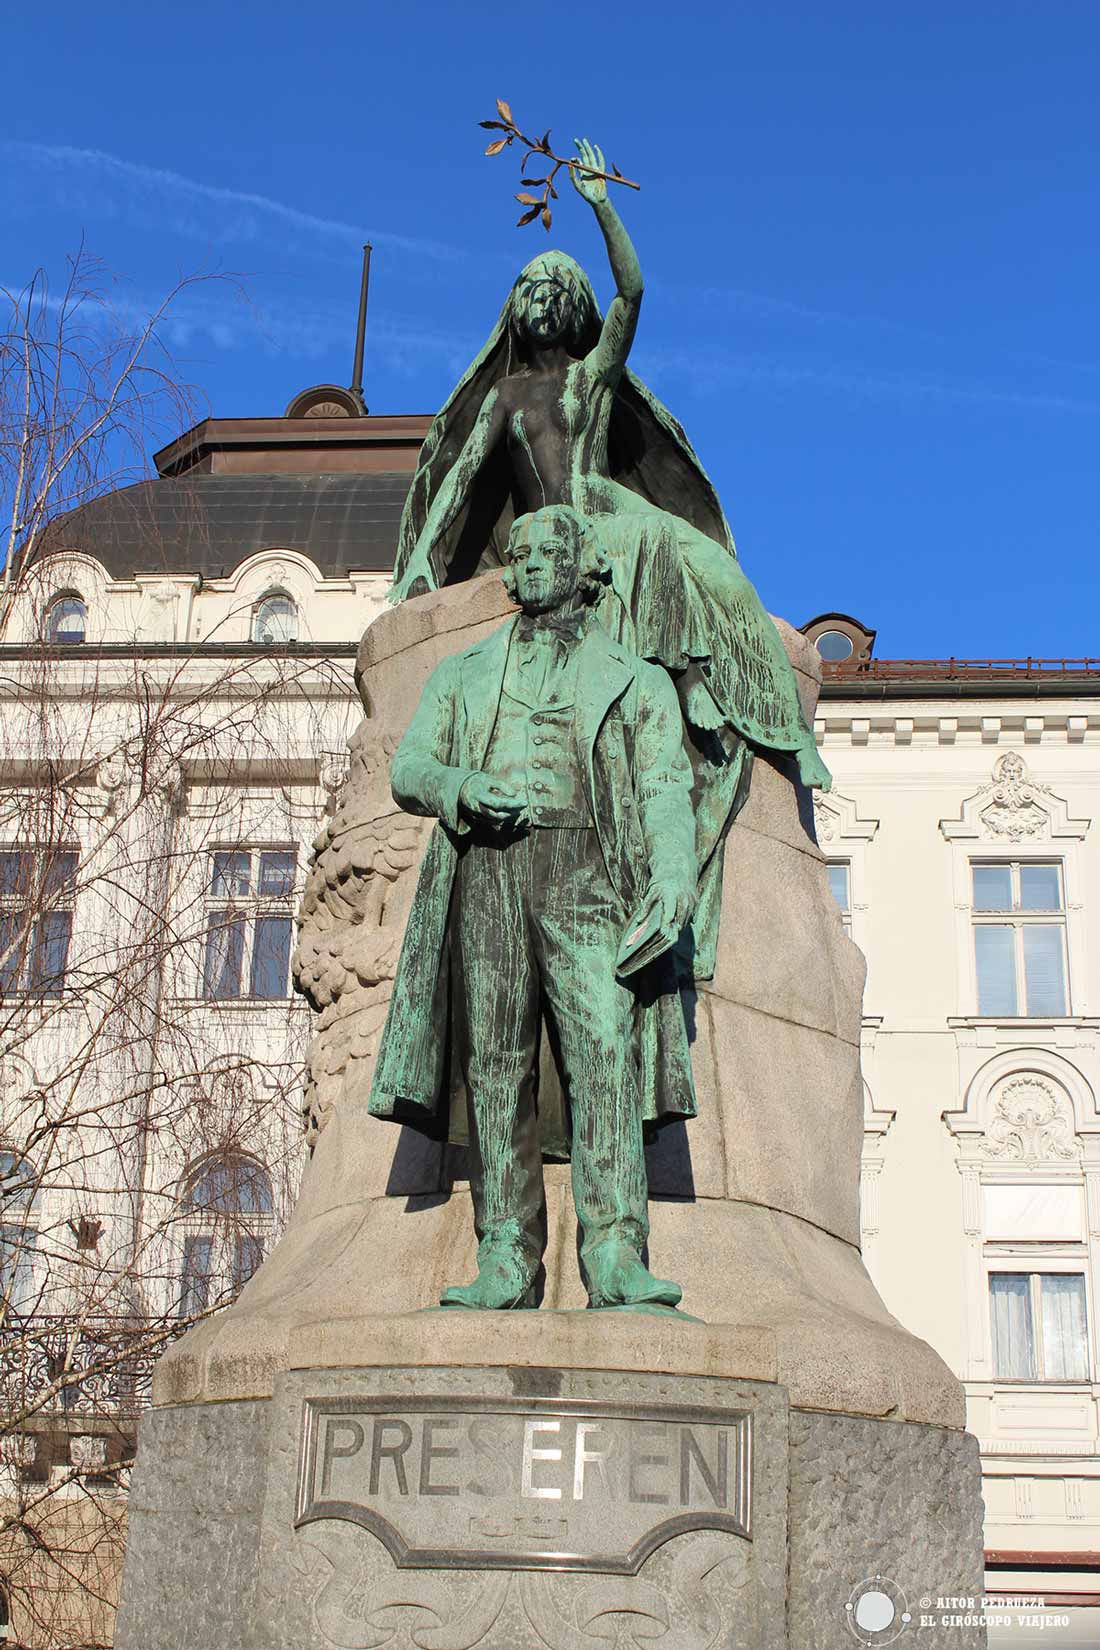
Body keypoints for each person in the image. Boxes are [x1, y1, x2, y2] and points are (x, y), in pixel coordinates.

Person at [388, 139, 829, 974]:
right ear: (515, 311)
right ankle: (690, 680)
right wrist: (419, 564)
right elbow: (459, 485)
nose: (541, 301)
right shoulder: (507, 397)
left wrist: (599, 203)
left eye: (555, 289)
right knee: (637, 550)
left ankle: (706, 683)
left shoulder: (591, 381)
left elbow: (634, 291)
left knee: (682, 554)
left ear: (572, 305)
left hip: (607, 514)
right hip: (558, 532)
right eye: (530, 290)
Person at [370, 505, 698, 1311]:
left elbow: (664, 785)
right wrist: (459, 788)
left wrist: (675, 874)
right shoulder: (462, 673)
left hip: (587, 868)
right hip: (488, 869)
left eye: (554, 548)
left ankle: (617, 1251)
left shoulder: (638, 677)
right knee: (494, 1067)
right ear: (510, 573)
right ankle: (508, 1255)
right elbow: (409, 765)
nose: (535, 560)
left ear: (586, 566)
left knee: (604, 1057)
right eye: (522, 551)